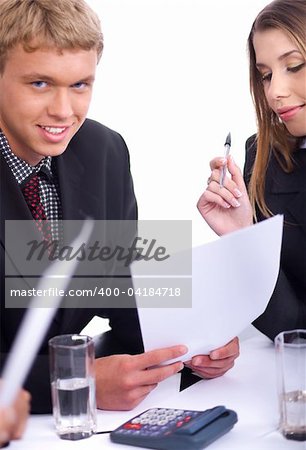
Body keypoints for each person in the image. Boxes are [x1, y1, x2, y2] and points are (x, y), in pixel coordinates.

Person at [0, 0, 239, 414]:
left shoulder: (102, 150)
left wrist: (196, 341)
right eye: (39, 83)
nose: (63, 110)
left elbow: (118, 286)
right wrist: (74, 382)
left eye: (80, 85)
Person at [197, 0, 306, 340]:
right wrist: (242, 237)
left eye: (295, 65)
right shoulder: (261, 156)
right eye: (266, 75)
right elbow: (290, 327)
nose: (275, 92)